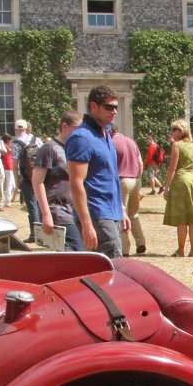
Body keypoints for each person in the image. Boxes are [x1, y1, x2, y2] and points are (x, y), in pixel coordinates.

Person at [67, 85, 127, 259]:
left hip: (111, 212)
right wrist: (86, 223)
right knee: (113, 269)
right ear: (94, 107)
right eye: (109, 107)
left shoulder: (105, 134)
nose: (114, 111)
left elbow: (109, 177)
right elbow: (76, 182)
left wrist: (121, 210)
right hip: (97, 214)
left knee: (110, 268)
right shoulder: (82, 138)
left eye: (116, 107)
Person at [32, 110, 85, 252]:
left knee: (82, 253)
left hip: (74, 210)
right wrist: (46, 214)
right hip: (58, 211)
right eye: (77, 128)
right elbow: (37, 182)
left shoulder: (74, 149)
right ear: (64, 126)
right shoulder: (49, 149)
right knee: (75, 253)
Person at [163, 118, 193, 257]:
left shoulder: (176, 145)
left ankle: (181, 250)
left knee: (182, 219)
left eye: (174, 129)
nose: (172, 132)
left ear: (180, 131)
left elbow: (172, 168)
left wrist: (166, 187)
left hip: (181, 181)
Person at [112, 125, 147, 255]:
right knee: (134, 214)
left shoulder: (111, 142)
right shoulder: (131, 142)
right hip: (135, 180)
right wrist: (138, 179)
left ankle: (125, 248)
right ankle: (141, 242)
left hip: (122, 181)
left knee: (122, 213)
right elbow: (141, 163)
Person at [11, 119, 42, 241]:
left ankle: (35, 235)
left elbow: (14, 165)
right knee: (39, 204)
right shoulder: (36, 139)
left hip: (26, 177)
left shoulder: (17, 143)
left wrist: (17, 181)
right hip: (39, 176)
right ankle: (42, 232)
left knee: (32, 206)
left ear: (16, 129)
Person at [0, 133, 16, 207]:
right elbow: (10, 151)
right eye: (10, 139)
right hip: (8, 165)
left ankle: (9, 199)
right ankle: (8, 201)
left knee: (13, 185)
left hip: (10, 164)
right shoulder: (5, 145)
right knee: (9, 184)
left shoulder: (7, 145)